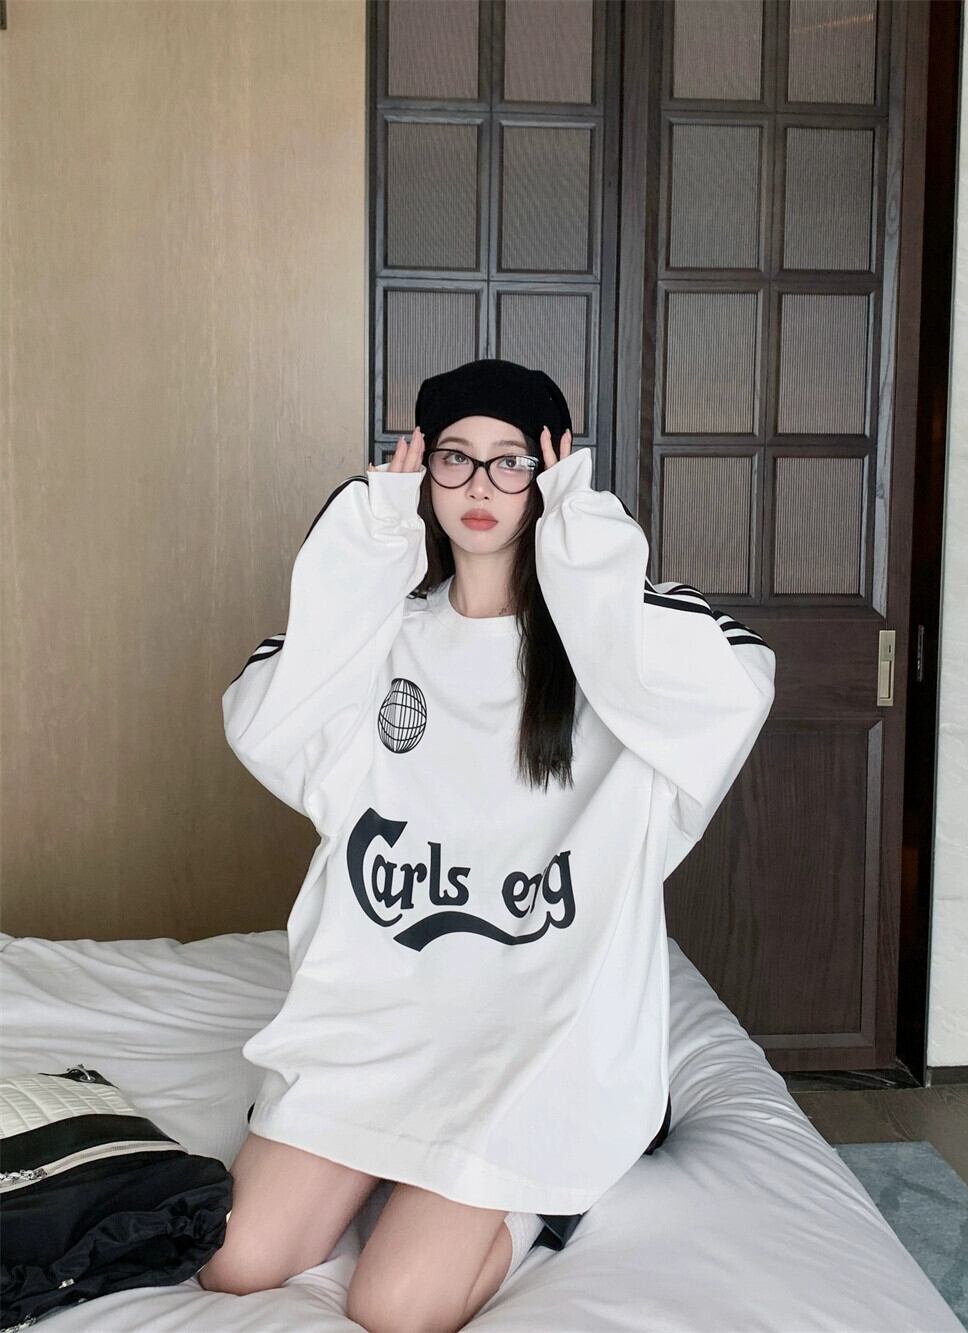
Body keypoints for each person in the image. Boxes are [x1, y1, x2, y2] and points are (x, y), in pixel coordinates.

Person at [197, 358, 776, 1332]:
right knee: (236, 1260)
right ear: (421, 472)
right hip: (383, 1022)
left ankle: (538, 1194)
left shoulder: (607, 656)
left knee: (395, 1304)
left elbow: (734, 682)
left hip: (531, 1037)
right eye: (455, 458)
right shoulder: (386, 635)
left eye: (511, 462)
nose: (480, 486)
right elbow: (268, 715)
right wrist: (373, 541)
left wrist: (583, 551)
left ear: (552, 475)